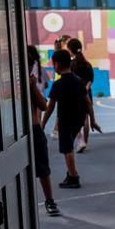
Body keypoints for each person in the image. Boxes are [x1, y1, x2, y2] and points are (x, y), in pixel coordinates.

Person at [40, 49, 98, 190]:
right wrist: (93, 120)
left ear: (58, 65)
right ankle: (71, 172)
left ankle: (73, 176)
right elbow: (88, 102)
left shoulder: (58, 85)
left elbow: (50, 107)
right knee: (68, 146)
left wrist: (42, 124)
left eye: (54, 65)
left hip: (65, 120)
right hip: (78, 120)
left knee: (67, 149)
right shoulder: (78, 81)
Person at [27, 45, 60, 216]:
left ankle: (49, 200)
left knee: (42, 167)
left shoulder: (33, 80)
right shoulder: (13, 82)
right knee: (39, 167)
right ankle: (48, 201)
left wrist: (32, 87)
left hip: (33, 128)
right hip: (23, 130)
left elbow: (42, 104)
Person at [65, 38, 99, 153]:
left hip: (75, 94)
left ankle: (80, 140)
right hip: (86, 93)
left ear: (70, 50)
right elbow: (90, 81)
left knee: (74, 118)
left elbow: (70, 80)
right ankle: (85, 141)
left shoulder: (71, 65)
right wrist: (85, 89)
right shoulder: (87, 64)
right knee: (86, 119)